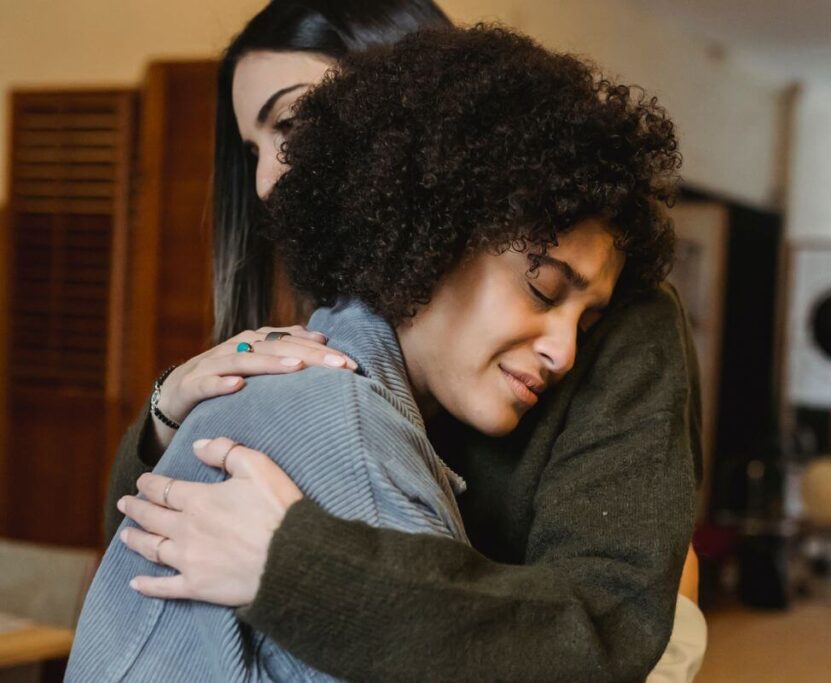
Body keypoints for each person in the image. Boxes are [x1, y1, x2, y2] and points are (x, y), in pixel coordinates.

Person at [102, 2, 705, 680]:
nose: (269, 180)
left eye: (294, 123)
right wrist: (168, 416)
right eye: (252, 148)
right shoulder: (331, 327)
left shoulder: (617, 322)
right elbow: (150, 586)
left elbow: (609, 626)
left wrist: (297, 568)